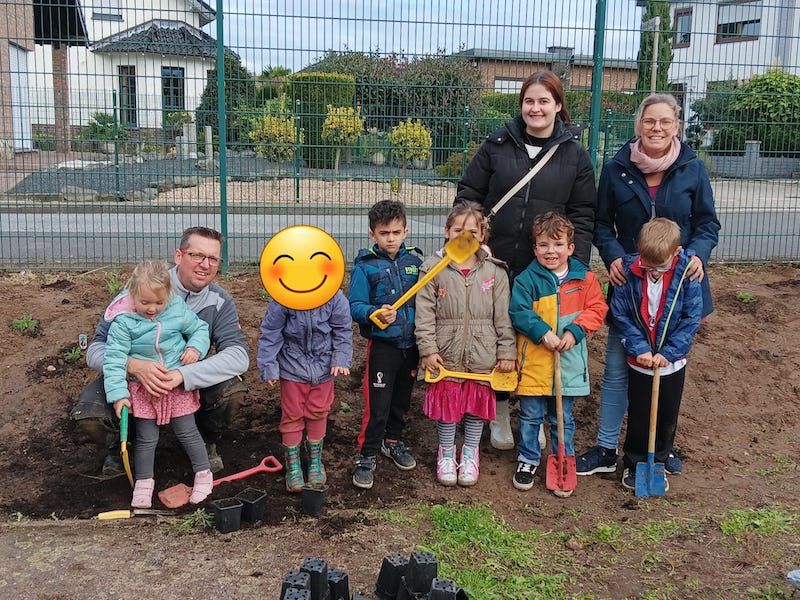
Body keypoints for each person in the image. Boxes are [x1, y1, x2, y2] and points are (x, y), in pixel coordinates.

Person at [577, 93, 720, 477]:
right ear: (638, 125)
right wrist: (614, 259)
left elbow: (707, 223)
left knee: (669, 370)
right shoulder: (616, 168)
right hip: (630, 286)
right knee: (617, 367)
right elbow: (601, 225)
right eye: (649, 121)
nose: (657, 128)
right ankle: (606, 448)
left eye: (665, 122)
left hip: (678, 286)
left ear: (676, 126)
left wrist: (696, 255)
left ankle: (662, 446)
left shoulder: (692, 168)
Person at [456, 69, 597, 451]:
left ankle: (535, 419)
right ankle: (500, 412)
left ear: (558, 105)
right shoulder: (497, 145)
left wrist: (573, 267)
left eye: (544, 101)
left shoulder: (575, 155)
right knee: (498, 337)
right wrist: (472, 245)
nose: (536, 108)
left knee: (540, 339)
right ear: (521, 105)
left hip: (546, 268)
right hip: (496, 260)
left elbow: (583, 214)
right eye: (529, 101)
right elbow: (470, 193)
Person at [70, 227, 250, 475]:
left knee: (231, 391)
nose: (204, 265)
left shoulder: (219, 302)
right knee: (90, 413)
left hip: (187, 379)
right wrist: (133, 366)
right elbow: (95, 350)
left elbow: (239, 356)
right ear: (179, 255)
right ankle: (123, 445)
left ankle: (204, 439)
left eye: (213, 259)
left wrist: (184, 375)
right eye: (197, 255)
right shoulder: (142, 290)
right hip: (134, 380)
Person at [415, 201, 516, 487]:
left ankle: (470, 452)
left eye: (471, 231)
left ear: (482, 235)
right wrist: (428, 349)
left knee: (475, 404)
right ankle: (446, 452)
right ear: (446, 231)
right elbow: (424, 314)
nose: (464, 235)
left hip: (483, 351)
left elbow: (504, 316)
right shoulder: (433, 270)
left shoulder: (495, 272)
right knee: (448, 403)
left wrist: (506, 350)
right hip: (445, 351)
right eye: (457, 229)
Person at [508, 213, 607, 496]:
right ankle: (527, 460)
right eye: (543, 245)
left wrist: (574, 332)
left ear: (570, 248)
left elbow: (597, 309)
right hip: (535, 363)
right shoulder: (527, 280)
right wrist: (543, 333)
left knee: (563, 417)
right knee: (530, 415)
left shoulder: (584, 279)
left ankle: (564, 457)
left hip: (569, 364)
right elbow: (518, 312)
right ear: (534, 248)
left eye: (557, 244)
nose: (551, 251)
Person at [103, 261, 212, 508]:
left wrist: (195, 348)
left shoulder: (176, 308)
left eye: (158, 303)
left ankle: (203, 474)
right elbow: (114, 358)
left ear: (168, 296)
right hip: (145, 388)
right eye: (145, 303)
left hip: (175, 381)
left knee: (187, 431)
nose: (152, 309)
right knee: (146, 438)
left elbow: (200, 328)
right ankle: (144, 483)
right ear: (133, 296)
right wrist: (119, 395)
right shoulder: (123, 321)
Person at [609, 218, 702, 490]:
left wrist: (669, 353)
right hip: (640, 362)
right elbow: (621, 314)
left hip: (672, 363)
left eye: (661, 266)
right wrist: (640, 350)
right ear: (639, 251)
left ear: (676, 253)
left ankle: (660, 458)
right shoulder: (627, 270)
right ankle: (635, 462)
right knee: (639, 414)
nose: (655, 272)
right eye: (648, 265)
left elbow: (691, 317)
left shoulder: (687, 273)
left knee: (666, 414)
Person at [349, 200, 423, 490]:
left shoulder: (417, 263)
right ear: (372, 234)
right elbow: (354, 305)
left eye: (395, 232)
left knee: (402, 400)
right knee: (377, 404)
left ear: (406, 231)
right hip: (383, 347)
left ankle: (392, 441)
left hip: (412, 345)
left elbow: (427, 302)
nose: (390, 239)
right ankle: (367, 454)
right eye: (383, 233)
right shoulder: (365, 267)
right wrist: (373, 313)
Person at [257, 288, 353, 493]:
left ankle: (315, 462)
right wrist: (269, 366)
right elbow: (271, 332)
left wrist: (341, 357)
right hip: (292, 366)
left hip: (325, 366)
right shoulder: (284, 296)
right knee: (292, 415)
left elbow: (343, 329)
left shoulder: (334, 296)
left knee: (319, 411)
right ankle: (293, 466)